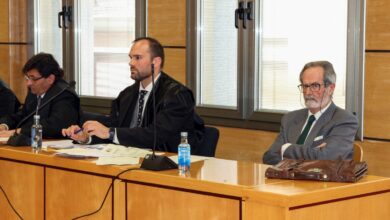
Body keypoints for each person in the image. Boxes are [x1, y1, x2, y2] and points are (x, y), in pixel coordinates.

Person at [62, 37, 205, 153]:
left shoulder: (177, 95)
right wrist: (86, 137)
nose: (131, 63)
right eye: (130, 57)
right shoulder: (127, 95)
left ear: (155, 62)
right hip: (129, 160)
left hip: (169, 165)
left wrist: (110, 132)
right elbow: (114, 129)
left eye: (137, 58)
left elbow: (156, 135)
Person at [263, 61, 358, 165]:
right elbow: (269, 157)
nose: (308, 92)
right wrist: (312, 152)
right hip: (287, 180)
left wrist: (286, 148)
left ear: (330, 88)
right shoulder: (290, 119)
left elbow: (326, 158)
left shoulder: (344, 120)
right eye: (305, 86)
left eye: (315, 86)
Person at [0, 53, 80, 138]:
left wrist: (18, 131)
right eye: (27, 78)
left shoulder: (64, 95)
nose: (28, 83)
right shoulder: (34, 92)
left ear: (50, 79)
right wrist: (4, 125)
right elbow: (23, 116)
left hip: (56, 146)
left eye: (33, 78)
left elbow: (54, 126)